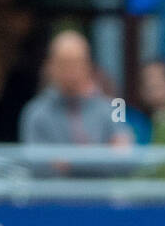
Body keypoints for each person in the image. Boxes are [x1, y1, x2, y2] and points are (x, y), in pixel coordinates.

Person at [18, 30, 133, 173]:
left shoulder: (114, 106)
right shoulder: (35, 112)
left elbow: (124, 157)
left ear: (88, 65)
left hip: (101, 193)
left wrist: (71, 161)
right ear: (51, 66)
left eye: (76, 62)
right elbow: (37, 165)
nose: (70, 70)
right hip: (54, 194)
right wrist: (100, 156)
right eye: (64, 63)